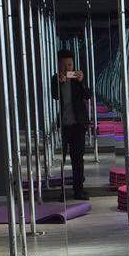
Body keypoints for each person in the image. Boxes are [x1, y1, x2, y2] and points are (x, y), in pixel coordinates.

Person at [55, 50, 91, 200]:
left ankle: (78, 190)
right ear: (58, 65)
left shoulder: (77, 79)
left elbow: (88, 95)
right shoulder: (55, 79)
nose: (67, 68)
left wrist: (81, 81)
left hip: (78, 125)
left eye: (69, 65)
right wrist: (59, 82)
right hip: (63, 126)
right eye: (64, 65)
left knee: (78, 159)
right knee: (60, 160)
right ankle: (62, 191)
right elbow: (54, 96)